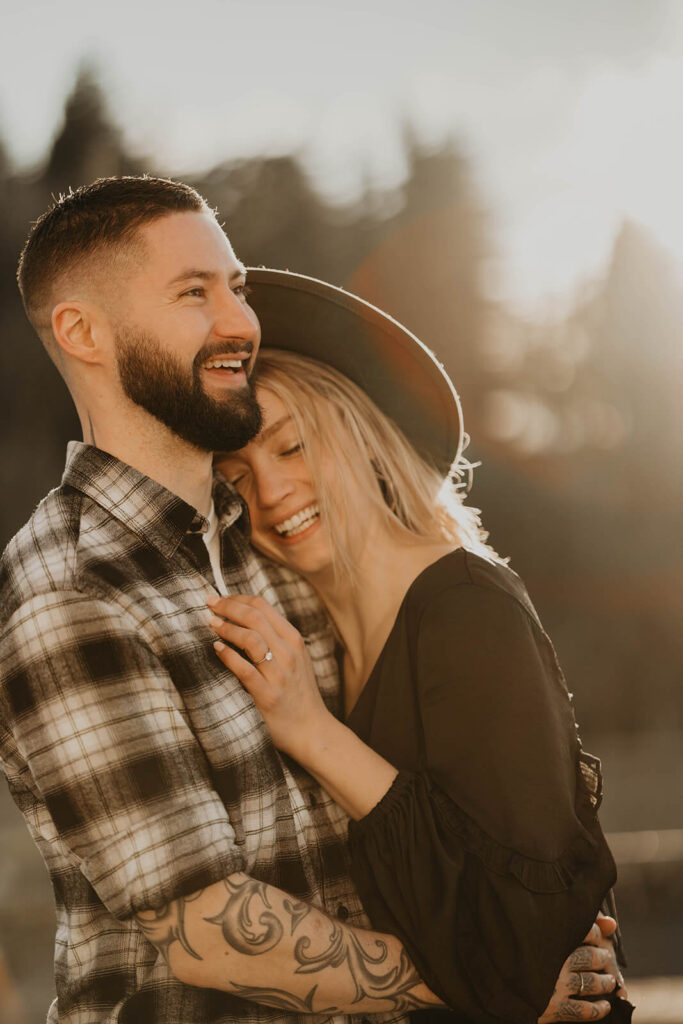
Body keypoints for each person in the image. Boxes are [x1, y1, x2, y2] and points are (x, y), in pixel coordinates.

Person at [0, 177, 621, 1024]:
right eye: (194, 292)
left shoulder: (262, 552)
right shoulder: (74, 591)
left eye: (237, 289)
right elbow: (205, 929)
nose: (239, 323)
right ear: (81, 331)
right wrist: (499, 974)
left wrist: (530, 933)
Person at [209, 271, 633, 1022]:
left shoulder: (465, 611)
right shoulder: (317, 641)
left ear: (361, 437)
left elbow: (524, 951)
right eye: (237, 477)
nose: (270, 494)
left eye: (293, 446)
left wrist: (312, 733)